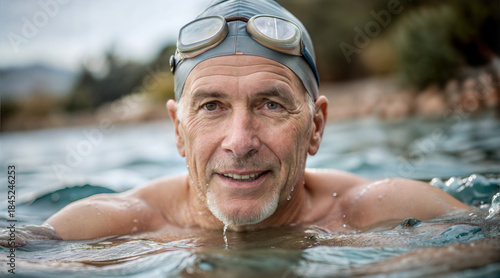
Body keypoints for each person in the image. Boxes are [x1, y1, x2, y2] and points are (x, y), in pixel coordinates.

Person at [19, 0, 472, 241]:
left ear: (316, 127)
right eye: (212, 106)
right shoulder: (111, 227)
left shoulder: (386, 213)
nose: (240, 141)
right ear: (179, 130)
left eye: (271, 105)